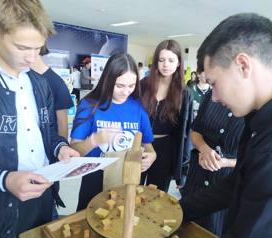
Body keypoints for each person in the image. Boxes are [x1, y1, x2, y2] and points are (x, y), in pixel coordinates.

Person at [180, 13, 272, 238]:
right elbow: (238, 183)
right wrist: (179, 210)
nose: (213, 97)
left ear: (243, 65)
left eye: (214, 83)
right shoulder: (263, 118)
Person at [0, 0, 79, 238]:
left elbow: (47, 133)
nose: (32, 57)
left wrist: (60, 148)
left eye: (38, 48)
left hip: (44, 203)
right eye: (23, 48)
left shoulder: (39, 83)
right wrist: (5, 180)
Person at [70, 53, 156, 210]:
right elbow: (73, 150)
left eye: (131, 86)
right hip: (95, 178)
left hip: (127, 177)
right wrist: (94, 140)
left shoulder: (138, 107)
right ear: (108, 81)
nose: (126, 92)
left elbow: (147, 143)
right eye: (119, 86)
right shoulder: (90, 105)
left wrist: (152, 156)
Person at [181, 65, 244, 235]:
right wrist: (203, 148)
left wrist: (226, 162)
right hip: (197, 175)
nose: (215, 94)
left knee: (213, 231)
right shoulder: (211, 95)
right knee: (184, 226)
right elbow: (195, 131)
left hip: (225, 185)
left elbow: (255, 158)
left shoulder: (255, 109)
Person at [140, 39, 194, 192]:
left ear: (178, 63)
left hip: (166, 150)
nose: (165, 65)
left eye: (171, 60)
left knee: (156, 195)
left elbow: (185, 132)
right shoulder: (143, 85)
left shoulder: (184, 94)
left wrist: (183, 168)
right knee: (132, 191)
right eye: (161, 60)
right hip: (139, 145)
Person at [31, 45, 74, 139]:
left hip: (48, 147)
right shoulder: (25, 78)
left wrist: (60, 149)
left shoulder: (56, 83)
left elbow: (62, 125)